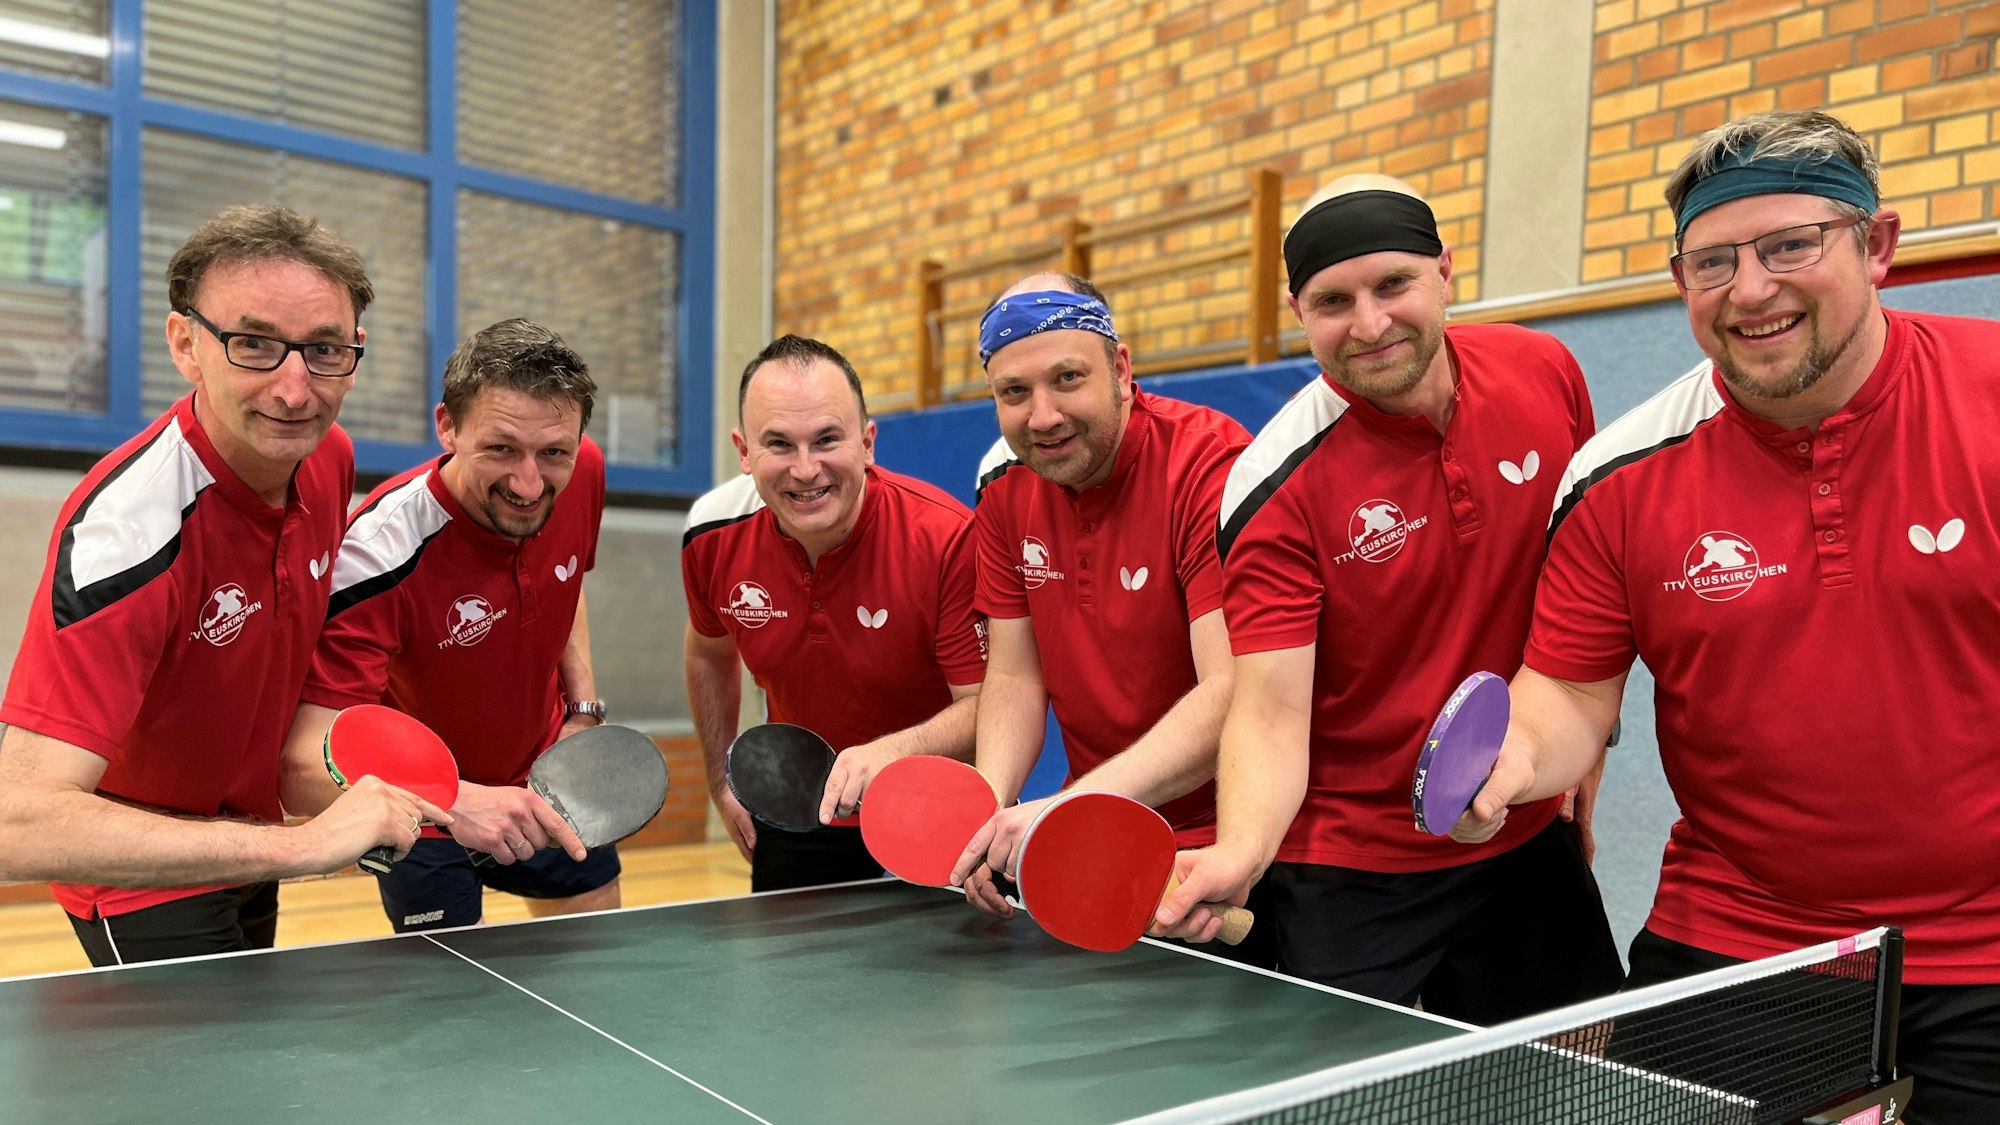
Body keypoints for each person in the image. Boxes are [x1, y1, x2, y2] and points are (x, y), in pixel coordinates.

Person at [1451, 109, 2000, 1120]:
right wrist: (1516, 762)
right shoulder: (1616, 476)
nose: (1749, 289)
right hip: (1740, 935)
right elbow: (1568, 691)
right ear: (1679, 283)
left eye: (1789, 245)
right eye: (1712, 262)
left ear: (1875, 247)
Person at [1154, 177, 1622, 1021]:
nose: (1368, 325)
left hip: (1518, 833)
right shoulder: (1274, 485)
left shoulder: (1545, 370)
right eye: (1334, 300)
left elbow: (1586, 590)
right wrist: (1243, 848)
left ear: (1445, 270)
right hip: (1353, 866)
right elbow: (1267, 708)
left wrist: (1589, 746)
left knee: (1588, 1081)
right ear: (1298, 308)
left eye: (1393, 285)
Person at [0, 205, 445, 966]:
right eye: (255, 345)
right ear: (186, 345)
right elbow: (16, 821)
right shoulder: (130, 534)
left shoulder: (327, 458)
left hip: (250, 839)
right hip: (141, 877)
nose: (296, 388)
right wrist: (307, 843)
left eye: (326, 350)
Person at [947, 273, 1270, 965]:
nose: (1042, 416)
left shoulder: (1209, 465)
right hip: (1095, 846)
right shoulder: (1004, 484)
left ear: (1121, 369)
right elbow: (1013, 674)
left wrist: (1069, 805)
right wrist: (990, 806)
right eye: (1014, 392)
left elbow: (1234, 691)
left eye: (1067, 378)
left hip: (1231, 846)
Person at [279, 319, 603, 932]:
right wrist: (454, 802)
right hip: (423, 816)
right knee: (452, 1010)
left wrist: (583, 708)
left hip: (547, 782)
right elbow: (302, 768)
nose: (530, 484)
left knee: (595, 964)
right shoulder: (376, 558)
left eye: (552, 453)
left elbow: (567, 580)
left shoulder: (581, 471)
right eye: (501, 448)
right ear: (447, 427)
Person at [682, 335, 984, 891]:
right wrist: (719, 779)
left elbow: (986, 706)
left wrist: (892, 752)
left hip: (937, 811)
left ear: (867, 442)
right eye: (779, 444)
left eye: (827, 439)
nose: (805, 469)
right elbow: (707, 650)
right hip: (799, 807)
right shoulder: (711, 536)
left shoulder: (947, 539)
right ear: (744, 452)